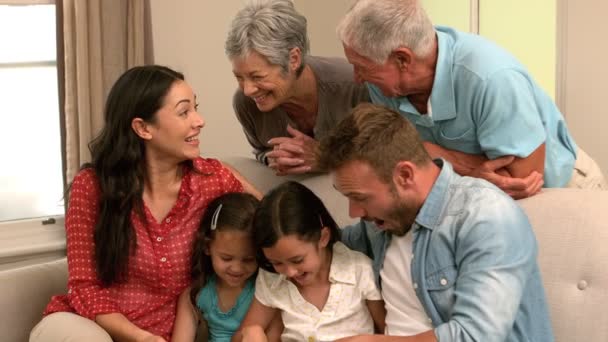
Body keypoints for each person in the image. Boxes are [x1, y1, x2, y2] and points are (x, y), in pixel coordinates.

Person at [29, 65, 262, 342]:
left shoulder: (211, 180)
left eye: (195, 108)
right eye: (184, 111)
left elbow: (277, 222)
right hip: (91, 326)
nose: (199, 121)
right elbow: (84, 286)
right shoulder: (91, 186)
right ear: (143, 128)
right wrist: (140, 337)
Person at [317, 103, 553, 341]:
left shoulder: (485, 216)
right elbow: (321, 248)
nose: (354, 212)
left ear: (405, 176)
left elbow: (477, 335)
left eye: (360, 198)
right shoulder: (380, 224)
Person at [336, 0, 607, 199]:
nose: (358, 78)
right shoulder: (383, 84)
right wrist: (468, 168)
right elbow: (390, 151)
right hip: (478, 197)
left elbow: (519, 181)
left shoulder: (491, 77)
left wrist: (429, 153)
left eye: (363, 67)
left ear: (403, 59)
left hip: (558, 189)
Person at [225, 0, 369, 176]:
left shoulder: (355, 85)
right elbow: (261, 152)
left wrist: (326, 156)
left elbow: (391, 155)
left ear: (293, 59)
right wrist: (271, 158)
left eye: (257, 77)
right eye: (239, 77)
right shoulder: (244, 103)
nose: (247, 90)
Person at [233, 181, 386, 341]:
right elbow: (240, 335)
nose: (289, 272)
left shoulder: (359, 270)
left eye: (297, 260)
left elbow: (390, 334)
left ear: (323, 238)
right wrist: (251, 332)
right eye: (277, 263)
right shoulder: (272, 279)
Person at [172, 192, 282, 342]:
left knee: (254, 334)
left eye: (248, 259)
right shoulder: (195, 295)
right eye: (226, 258)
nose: (237, 268)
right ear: (207, 247)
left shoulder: (267, 294)